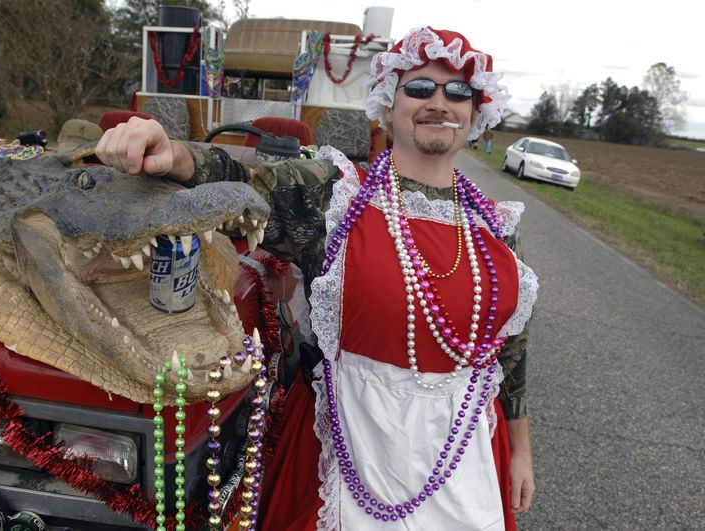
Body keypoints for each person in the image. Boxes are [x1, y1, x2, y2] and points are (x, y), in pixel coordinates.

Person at [97, 26, 537, 531]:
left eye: (457, 92)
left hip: (467, 461)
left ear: (475, 112)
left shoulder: (497, 226)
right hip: (347, 451)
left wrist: (521, 450)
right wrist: (174, 154)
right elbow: (242, 181)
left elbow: (511, 352)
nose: (439, 102)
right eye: (419, 88)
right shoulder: (333, 198)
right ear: (387, 107)